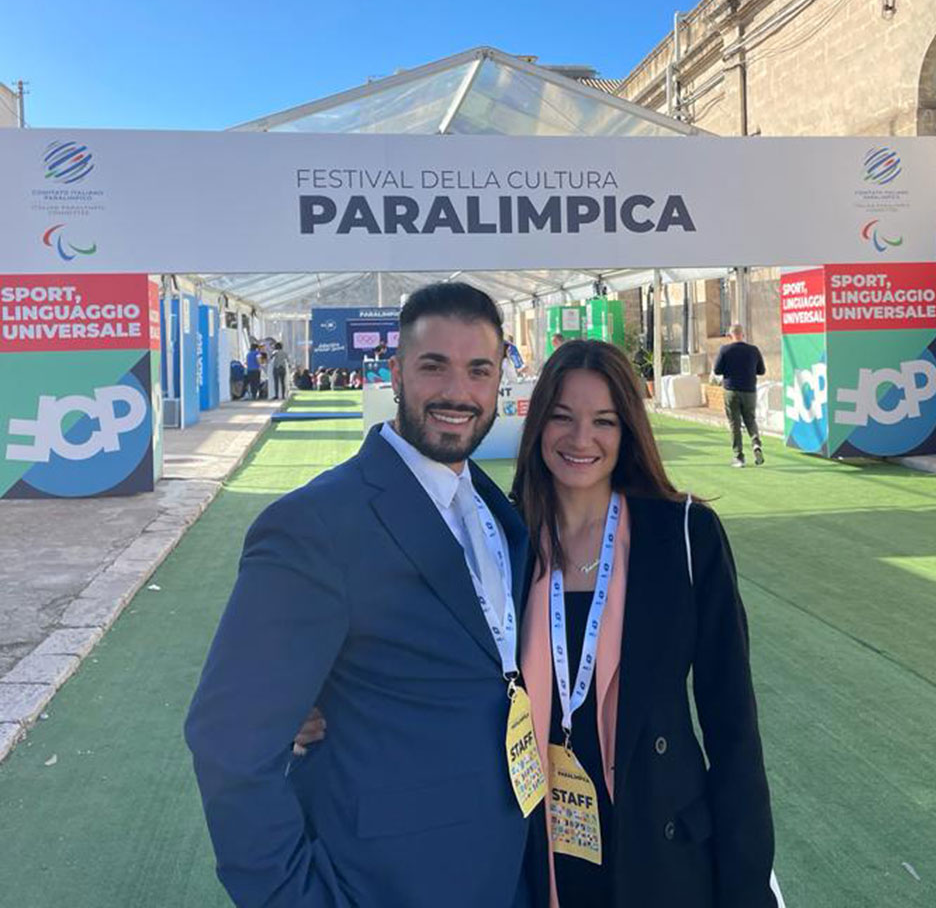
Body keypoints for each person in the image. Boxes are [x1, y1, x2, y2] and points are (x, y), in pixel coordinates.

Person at [185, 282, 537, 908]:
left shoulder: (493, 508)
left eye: (479, 370)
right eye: (434, 366)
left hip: (507, 867)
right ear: (396, 373)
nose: (458, 392)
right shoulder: (314, 524)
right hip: (384, 881)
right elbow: (229, 740)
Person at [513, 339, 776, 908]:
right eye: (562, 417)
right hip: (538, 849)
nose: (581, 439)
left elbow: (732, 721)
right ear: (537, 424)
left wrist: (746, 885)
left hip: (660, 850)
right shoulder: (507, 539)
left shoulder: (685, 535)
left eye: (603, 421)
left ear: (628, 429)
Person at [713, 324, 766, 468]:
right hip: (749, 390)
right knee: (750, 419)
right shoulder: (753, 350)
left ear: (730, 335)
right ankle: (756, 443)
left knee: (734, 423)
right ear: (743, 334)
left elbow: (717, 370)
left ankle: (739, 457)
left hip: (731, 390)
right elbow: (761, 371)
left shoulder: (724, 350)